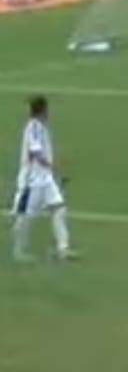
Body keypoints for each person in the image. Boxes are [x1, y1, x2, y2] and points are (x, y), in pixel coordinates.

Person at [11, 96, 77, 262]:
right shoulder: (33, 128)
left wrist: (53, 173)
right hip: (32, 181)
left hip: (45, 180)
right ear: (42, 110)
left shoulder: (40, 127)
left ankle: (63, 248)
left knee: (59, 209)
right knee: (24, 216)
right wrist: (53, 167)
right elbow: (36, 152)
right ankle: (18, 250)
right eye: (47, 109)